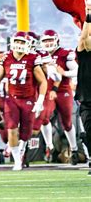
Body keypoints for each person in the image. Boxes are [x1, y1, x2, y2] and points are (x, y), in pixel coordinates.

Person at [0, 32, 47, 171]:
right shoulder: (6, 58)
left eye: (23, 42)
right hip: (12, 99)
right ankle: (17, 160)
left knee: (26, 133)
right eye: (17, 41)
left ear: (28, 44)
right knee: (11, 128)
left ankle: (21, 151)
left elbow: (43, 81)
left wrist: (40, 100)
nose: (19, 44)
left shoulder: (33, 58)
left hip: (29, 100)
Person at [37, 30, 80, 165]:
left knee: (66, 122)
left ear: (56, 40)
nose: (48, 43)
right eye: (45, 41)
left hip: (63, 91)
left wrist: (64, 72)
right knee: (43, 117)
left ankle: (74, 150)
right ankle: (49, 146)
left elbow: (77, 71)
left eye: (50, 40)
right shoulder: (38, 55)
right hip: (47, 91)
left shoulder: (64, 54)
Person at [76, 4, 91, 175]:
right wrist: (88, 16)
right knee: (89, 132)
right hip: (87, 100)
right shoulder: (85, 54)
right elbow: (83, 39)